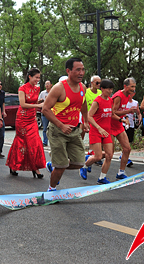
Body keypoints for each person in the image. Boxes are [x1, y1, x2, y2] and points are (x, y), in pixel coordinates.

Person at [42, 58, 89, 191]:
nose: (81, 73)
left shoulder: (82, 87)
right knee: (61, 166)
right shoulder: (59, 88)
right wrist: (61, 125)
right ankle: (51, 189)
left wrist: (85, 121)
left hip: (74, 130)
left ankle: (53, 165)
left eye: (83, 69)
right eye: (77, 70)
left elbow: (83, 104)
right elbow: (45, 109)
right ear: (68, 71)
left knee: (80, 163)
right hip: (58, 131)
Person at [6, 68, 46, 178]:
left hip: (32, 119)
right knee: (22, 142)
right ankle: (14, 165)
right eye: (36, 77)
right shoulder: (22, 88)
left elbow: (33, 102)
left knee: (35, 142)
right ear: (30, 77)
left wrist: (41, 102)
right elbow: (23, 104)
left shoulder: (37, 89)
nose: (38, 80)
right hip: (22, 119)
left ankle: (35, 167)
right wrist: (38, 106)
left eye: (39, 77)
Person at [82, 79, 119, 184]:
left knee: (109, 155)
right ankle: (85, 166)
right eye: (108, 89)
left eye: (111, 89)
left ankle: (102, 177)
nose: (110, 91)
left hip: (107, 131)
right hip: (96, 131)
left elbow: (111, 114)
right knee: (98, 156)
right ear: (102, 89)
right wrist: (99, 128)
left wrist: (121, 120)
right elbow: (89, 116)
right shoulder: (97, 101)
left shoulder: (110, 100)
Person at [110, 78, 136, 179]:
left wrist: (125, 118)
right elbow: (113, 112)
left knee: (127, 148)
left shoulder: (127, 95)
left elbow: (123, 109)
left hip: (119, 125)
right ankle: (91, 159)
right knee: (109, 153)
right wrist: (128, 112)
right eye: (132, 87)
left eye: (134, 87)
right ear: (125, 86)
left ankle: (121, 172)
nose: (133, 89)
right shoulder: (118, 96)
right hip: (111, 125)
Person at [83, 76, 101, 141]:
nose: (99, 84)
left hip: (96, 119)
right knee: (81, 136)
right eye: (97, 83)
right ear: (92, 83)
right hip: (86, 117)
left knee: (95, 138)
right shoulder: (86, 92)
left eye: (100, 83)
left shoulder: (100, 93)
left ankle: (93, 150)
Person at [38, 80, 52, 146]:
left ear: (51, 85)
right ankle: (45, 142)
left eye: (48, 84)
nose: (47, 85)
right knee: (45, 128)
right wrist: (40, 101)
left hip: (52, 112)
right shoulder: (42, 93)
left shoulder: (53, 92)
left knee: (53, 128)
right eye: (46, 84)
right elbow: (37, 102)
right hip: (44, 112)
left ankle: (52, 142)